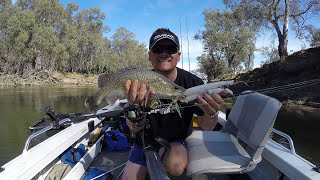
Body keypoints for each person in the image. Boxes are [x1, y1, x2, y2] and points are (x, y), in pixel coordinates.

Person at [121, 28, 228, 180]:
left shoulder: (192, 83)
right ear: (150, 56)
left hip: (175, 140)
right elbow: (134, 128)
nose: (164, 54)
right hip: (143, 141)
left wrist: (211, 113)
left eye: (170, 49)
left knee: (176, 166)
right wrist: (135, 110)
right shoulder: (139, 84)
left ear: (178, 55)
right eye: (158, 49)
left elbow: (207, 127)